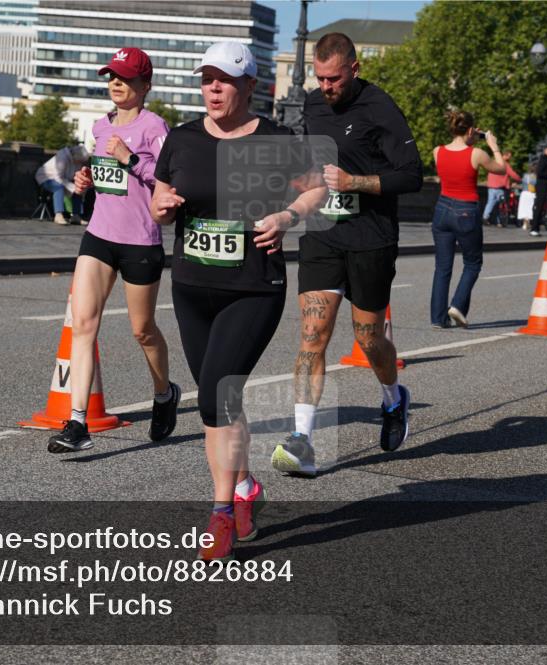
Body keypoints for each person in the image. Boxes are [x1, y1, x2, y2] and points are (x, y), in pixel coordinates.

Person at [151, 42, 326, 561]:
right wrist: (161, 208)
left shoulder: (276, 139)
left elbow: (317, 191)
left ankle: (222, 513)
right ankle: (246, 485)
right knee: (220, 402)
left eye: (224, 80)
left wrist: (286, 217)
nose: (213, 89)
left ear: (249, 86)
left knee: (214, 398)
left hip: (252, 289)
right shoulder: (181, 138)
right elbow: (160, 195)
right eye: (206, 79)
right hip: (190, 288)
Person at [271, 32, 424, 479]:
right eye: (319, 79)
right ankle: (302, 438)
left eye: (334, 79)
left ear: (354, 69)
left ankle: (394, 398)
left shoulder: (380, 108)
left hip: (371, 239)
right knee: (312, 335)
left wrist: (356, 182)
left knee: (369, 340)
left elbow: (412, 176)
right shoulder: (315, 105)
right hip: (322, 235)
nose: (326, 88)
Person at [47, 47, 180, 454]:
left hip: (141, 241)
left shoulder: (156, 128)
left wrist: (130, 159)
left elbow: (169, 183)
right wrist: (89, 180)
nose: (115, 83)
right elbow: (109, 178)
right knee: (83, 324)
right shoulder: (99, 127)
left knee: (143, 330)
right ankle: (77, 423)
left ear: (145, 85)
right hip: (100, 236)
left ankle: (164, 393)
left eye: (124, 77)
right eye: (111, 76)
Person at [429, 110, 505, 330]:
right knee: (472, 263)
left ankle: (438, 317)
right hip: (465, 211)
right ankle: (458, 306)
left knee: (442, 267)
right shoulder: (477, 154)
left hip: (442, 208)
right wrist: (493, 145)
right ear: (471, 130)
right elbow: (501, 169)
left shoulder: (437, 151)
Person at [35, 144, 88, 225]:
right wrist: (72, 187)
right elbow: (58, 178)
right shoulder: (62, 157)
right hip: (46, 178)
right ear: (75, 156)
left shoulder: (77, 159)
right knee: (59, 188)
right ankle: (58, 215)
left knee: (78, 188)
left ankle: (76, 216)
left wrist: (77, 187)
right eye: (80, 161)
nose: (80, 164)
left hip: (63, 179)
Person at [481, 149, 521, 227]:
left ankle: (485, 217)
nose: (510, 158)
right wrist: (520, 179)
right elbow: (513, 174)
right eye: (509, 156)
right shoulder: (505, 164)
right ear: (505, 155)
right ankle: (499, 221)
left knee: (491, 202)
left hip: (491, 186)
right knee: (501, 205)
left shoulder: (494, 162)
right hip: (499, 187)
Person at [531, 146, 547, 237]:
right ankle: (534, 228)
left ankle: (536, 228)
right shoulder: (543, 160)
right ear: (546, 151)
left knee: (541, 208)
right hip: (541, 186)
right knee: (539, 207)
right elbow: (539, 172)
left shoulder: (546, 160)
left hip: (543, 186)